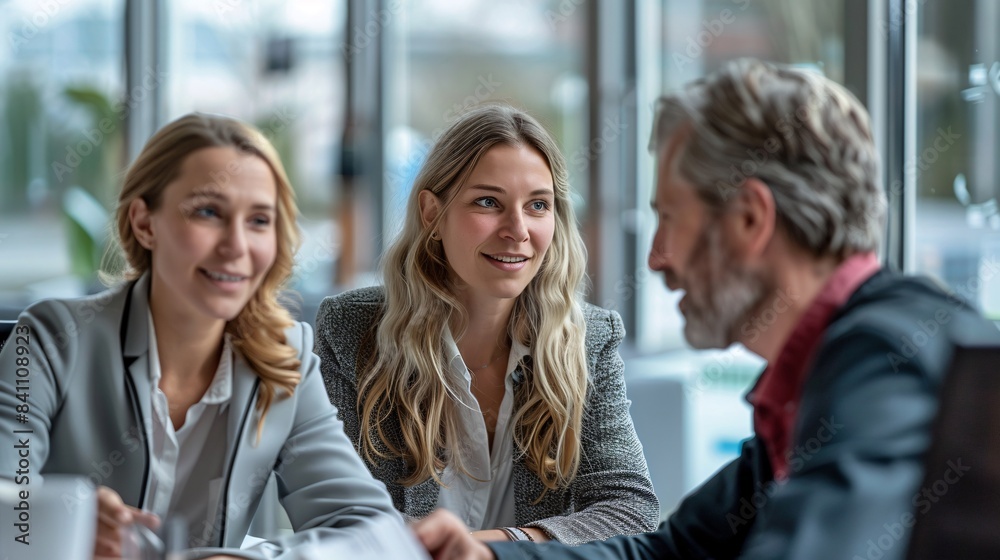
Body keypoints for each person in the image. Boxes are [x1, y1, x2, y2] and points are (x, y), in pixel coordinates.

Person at [411, 58, 1000, 560]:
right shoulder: (823, 374)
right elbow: (671, 551)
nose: (656, 258)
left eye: (670, 217)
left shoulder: (883, 354)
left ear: (749, 219)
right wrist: (487, 554)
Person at [0, 113, 399, 559]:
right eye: (208, 212)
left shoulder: (287, 359)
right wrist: (64, 526)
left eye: (259, 220)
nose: (237, 246)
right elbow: (6, 495)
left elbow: (373, 531)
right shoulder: (52, 340)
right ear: (144, 223)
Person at [315, 104, 659, 545]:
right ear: (432, 213)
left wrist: (498, 548)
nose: (518, 230)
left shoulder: (588, 338)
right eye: (488, 202)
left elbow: (631, 509)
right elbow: (337, 512)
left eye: (538, 205)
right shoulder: (352, 329)